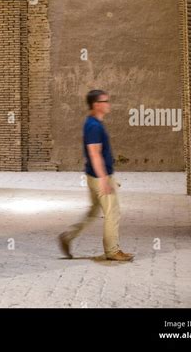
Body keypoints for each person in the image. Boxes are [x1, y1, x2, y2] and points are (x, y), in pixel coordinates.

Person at [58, 89, 134, 261]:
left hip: (94, 176)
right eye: (105, 101)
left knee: (93, 212)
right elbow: (94, 154)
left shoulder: (94, 123)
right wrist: (104, 180)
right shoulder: (93, 126)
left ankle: (68, 236)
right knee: (112, 213)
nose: (108, 104)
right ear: (96, 105)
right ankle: (112, 251)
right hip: (101, 177)